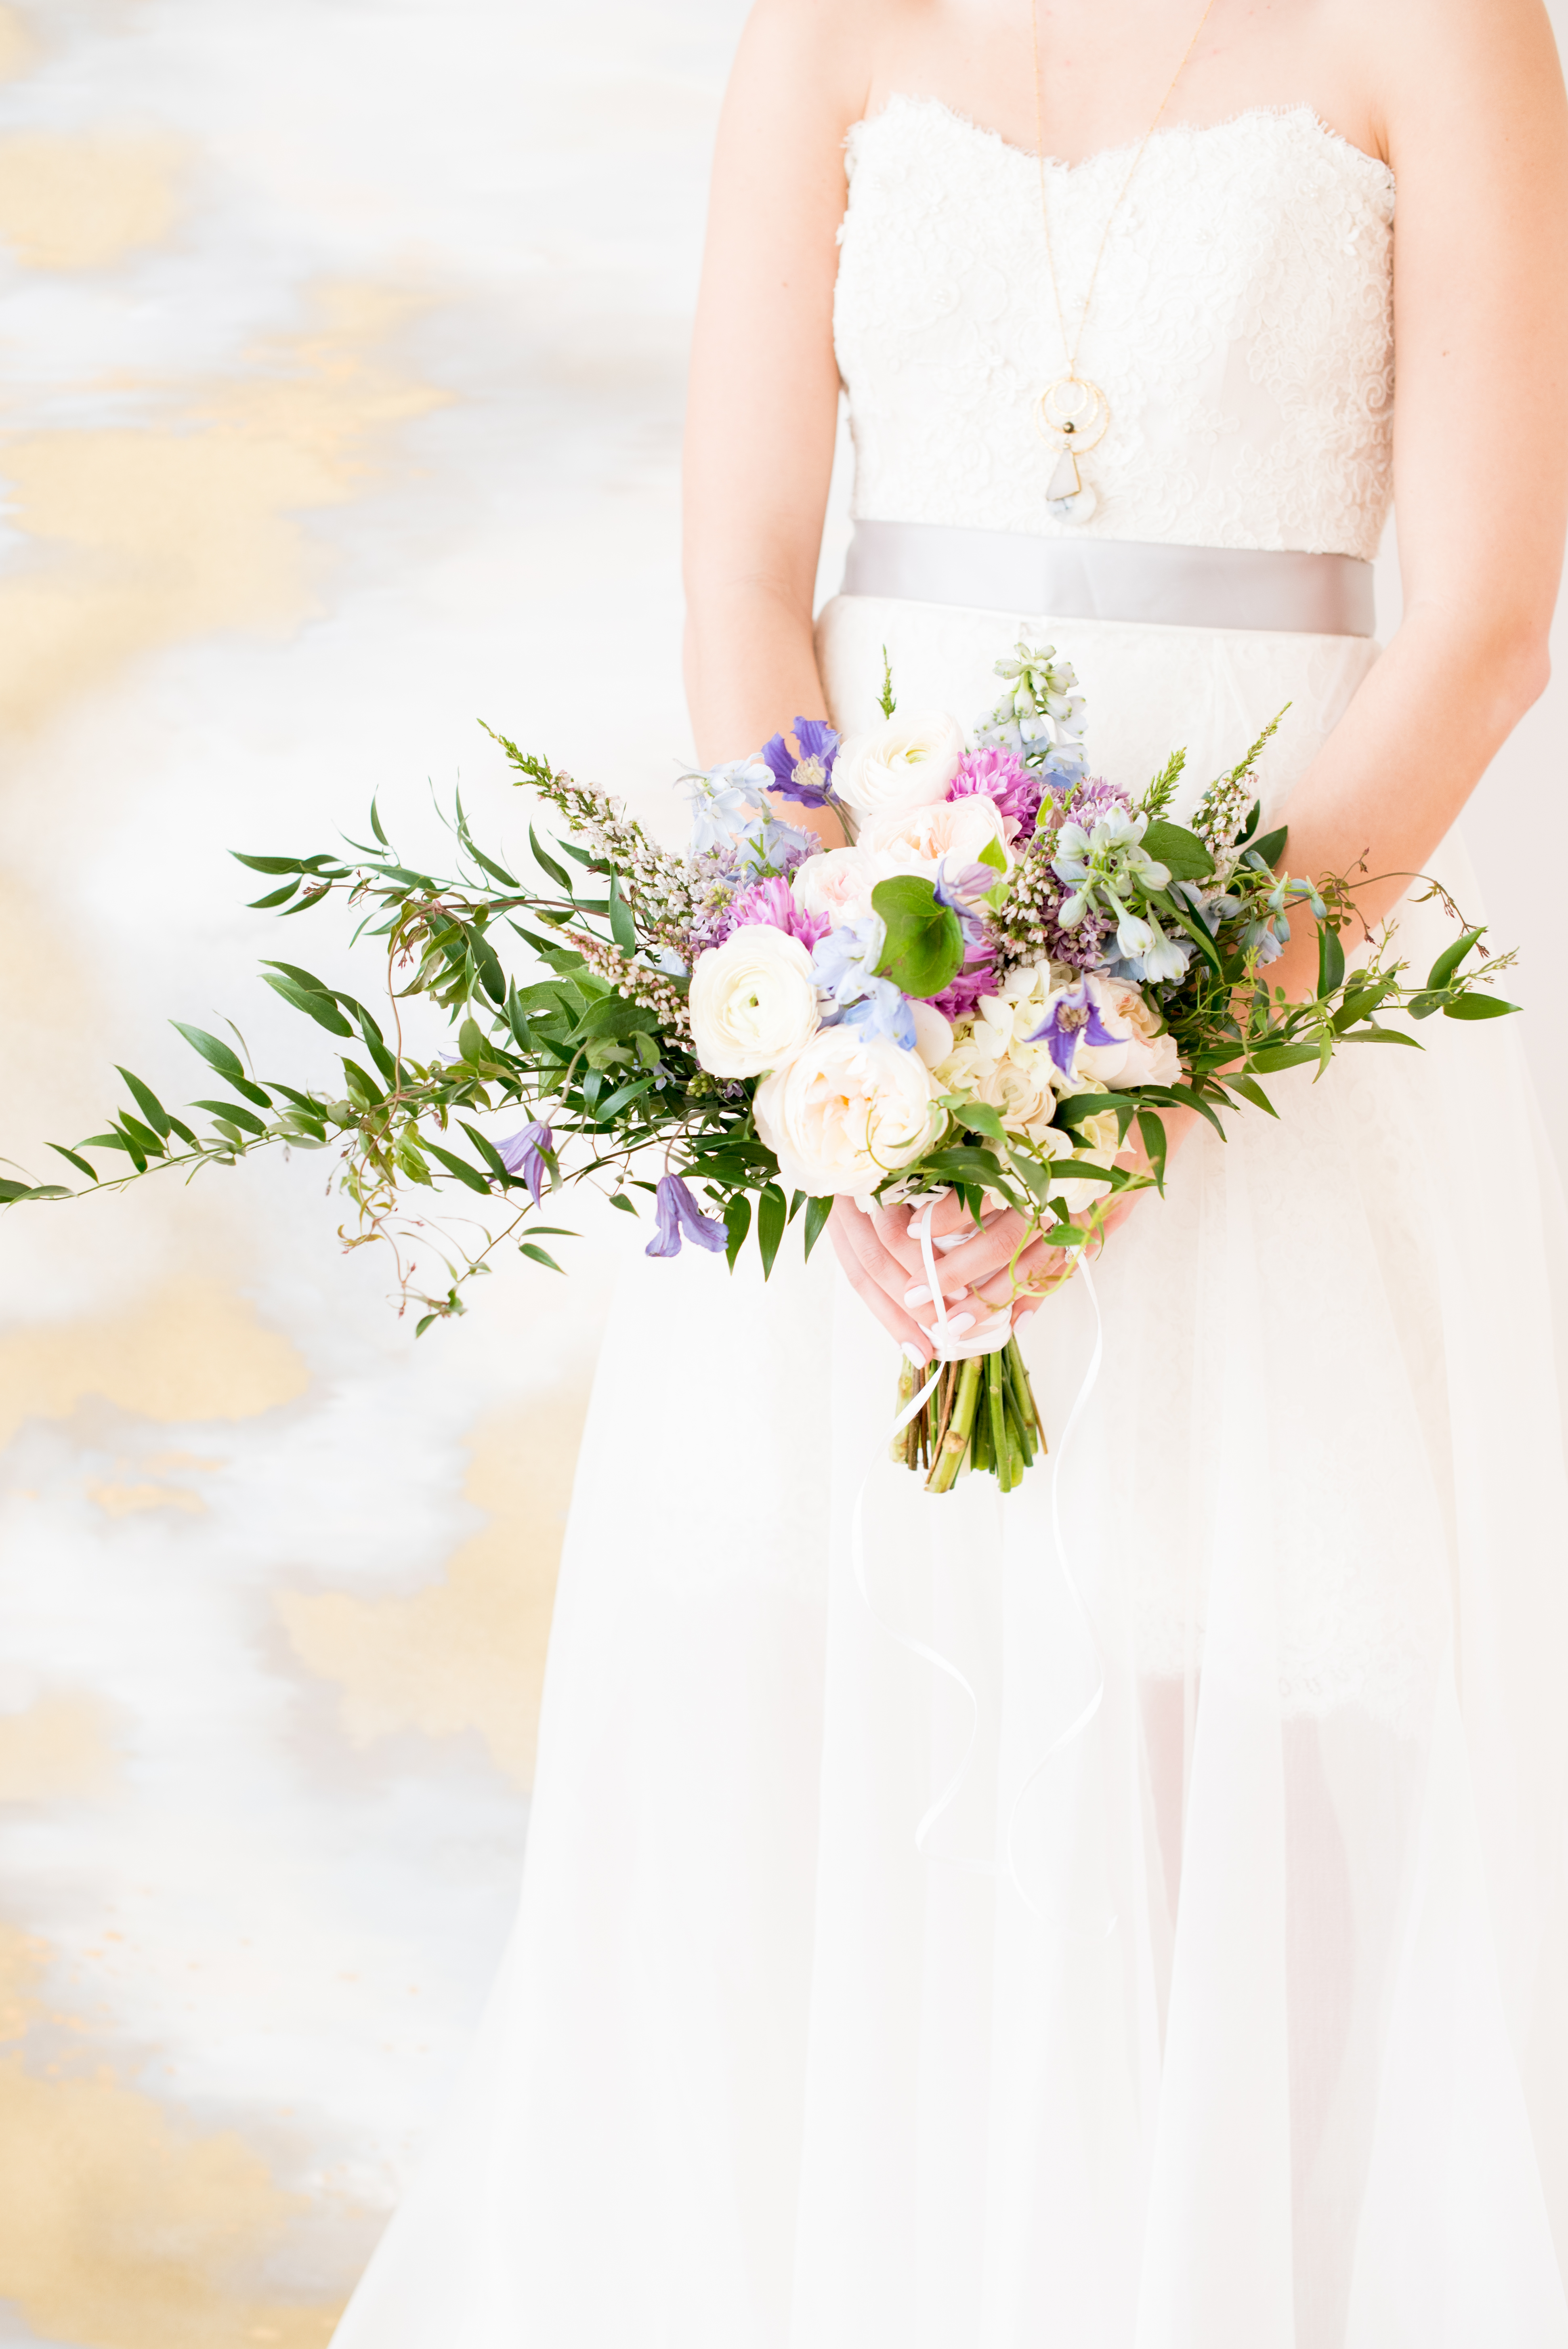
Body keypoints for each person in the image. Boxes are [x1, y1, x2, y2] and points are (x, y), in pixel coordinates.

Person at [332, 2, 1568, 2341]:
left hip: (1270, 998)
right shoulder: (827, 27)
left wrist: (1139, 1080)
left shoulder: (1448, 24)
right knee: (834, 1732)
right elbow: (736, 571)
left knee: (1241, 1767)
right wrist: (842, 1049)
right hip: (875, 955)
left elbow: (1488, 628)